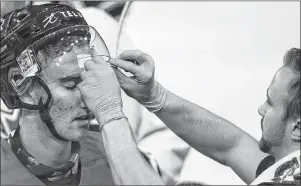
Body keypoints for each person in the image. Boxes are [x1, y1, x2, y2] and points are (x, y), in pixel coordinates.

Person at [77, 47, 300, 185]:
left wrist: (110, 113)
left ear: (297, 128)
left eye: (270, 103)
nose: (261, 108)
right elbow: (232, 145)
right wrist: (155, 96)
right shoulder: (289, 169)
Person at [0, 4, 115, 185]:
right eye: (70, 85)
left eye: (89, 81)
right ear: (23, 86)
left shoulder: (115, 152)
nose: (89, 97)